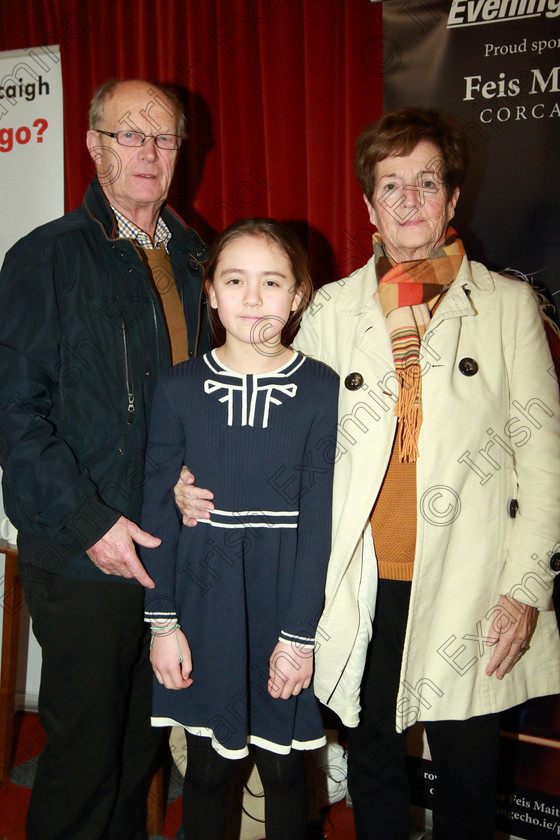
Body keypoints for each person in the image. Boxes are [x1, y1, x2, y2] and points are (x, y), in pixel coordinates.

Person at [176, 108, 560, 840]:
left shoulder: (509, 308)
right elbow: (275, 425)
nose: (409, 199)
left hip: (474, 582)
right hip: (358, 580)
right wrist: (188, 479)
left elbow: (544, 462)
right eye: (392, 185)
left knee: (469, 778)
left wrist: (526, 587)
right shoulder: (331, 309)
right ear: (369, 206)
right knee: (375, 763)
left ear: (452, 200)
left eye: (426, 182)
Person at [0, 78, 211, 840]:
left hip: (167, 553)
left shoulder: (197, 258)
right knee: (84, 764)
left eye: (164, 138)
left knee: (138, 756)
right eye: (131, 134)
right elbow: (13, 419)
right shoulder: (44, 259)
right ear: (93, 145)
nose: (149, 151)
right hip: (84, 554)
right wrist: (94, 523)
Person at [140, 218, 339, 840]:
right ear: (211, 292)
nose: (253, 299)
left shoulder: (321, 390)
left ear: (298, 295)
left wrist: (297, 637)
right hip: (204, 605)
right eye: (235, 280)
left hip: (283, 604)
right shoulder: (176, 389)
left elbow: (320, 524)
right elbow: (156, 514)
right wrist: (163, 623)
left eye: (272, 282)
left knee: (283, 775)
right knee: (203, 773)